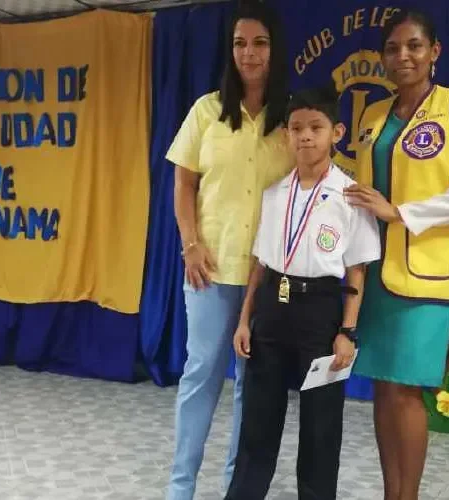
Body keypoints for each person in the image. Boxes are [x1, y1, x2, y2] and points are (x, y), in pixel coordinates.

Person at [344, 10, 449, 500]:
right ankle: (392, 493)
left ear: (434, 52)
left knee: (405, 390)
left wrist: (400, 212)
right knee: (383, 389)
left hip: (425, 272)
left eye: (413, 46)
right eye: (392, 48)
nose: (401, 56)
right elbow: (361, 194)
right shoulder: (373, 117)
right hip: (375, 272)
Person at [225, 86, 381, 500]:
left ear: (337, 132)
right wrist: (245, 320)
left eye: (316, 127)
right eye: (297, 128)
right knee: (258, 421)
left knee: (321, 426)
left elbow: (357, 270)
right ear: (286, 136)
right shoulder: (275, 194)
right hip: (273, 309)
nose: (305, 136)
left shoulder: (350, 198)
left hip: (321, 311)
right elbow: (260, 264)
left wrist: (347, 331)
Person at [163, 2, 293, 499]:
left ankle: (237, 487)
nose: (249, 53)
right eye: (240, 43)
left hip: (267, 276)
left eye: (259, 43)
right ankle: (180, 487)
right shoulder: (206, 110)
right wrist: (190, 244)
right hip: (210, 271)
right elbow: (182, 183)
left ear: (274, 49)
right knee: (200, 377)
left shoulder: (290, 120)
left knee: (251, 389)